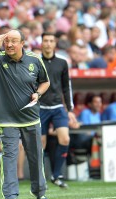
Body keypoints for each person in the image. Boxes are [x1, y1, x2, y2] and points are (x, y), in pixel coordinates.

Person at [0, 29, 50, 199]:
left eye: (14, 41)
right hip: (7, 119)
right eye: (7, 41)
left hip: (31, 117)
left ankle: (40, 192)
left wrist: (38, 94)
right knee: (9, 156)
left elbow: (45, 82)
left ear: (22, 43)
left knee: (35, 157)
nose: (9, 44)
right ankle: (11, 196)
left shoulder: (35, 59)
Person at [40, 32, 78, 188]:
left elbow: (66, 87)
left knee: (65, 139)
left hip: (57, 107)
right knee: (40, 145)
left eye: (51, 41)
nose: (48, 43)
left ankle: (56, 175)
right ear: (41, 43)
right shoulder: (35, 62)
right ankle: (40, 178)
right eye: (45, 41)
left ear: (55, 44)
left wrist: (70, 109)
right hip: (40, 107)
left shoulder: (62, 62)